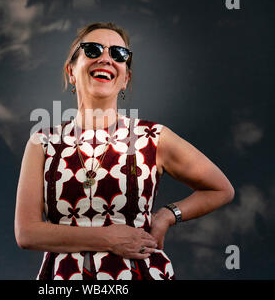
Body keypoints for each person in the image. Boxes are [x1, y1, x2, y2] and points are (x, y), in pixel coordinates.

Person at [14, 22, 235, 280]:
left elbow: (221, 189)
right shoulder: (42, 142)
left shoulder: (152, 137)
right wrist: (107, 238)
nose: (106, 59)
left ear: (125, 79)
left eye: (119, 54)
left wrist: (167, 215)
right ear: (71, 70)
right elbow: (27, 233)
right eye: (93, 50)